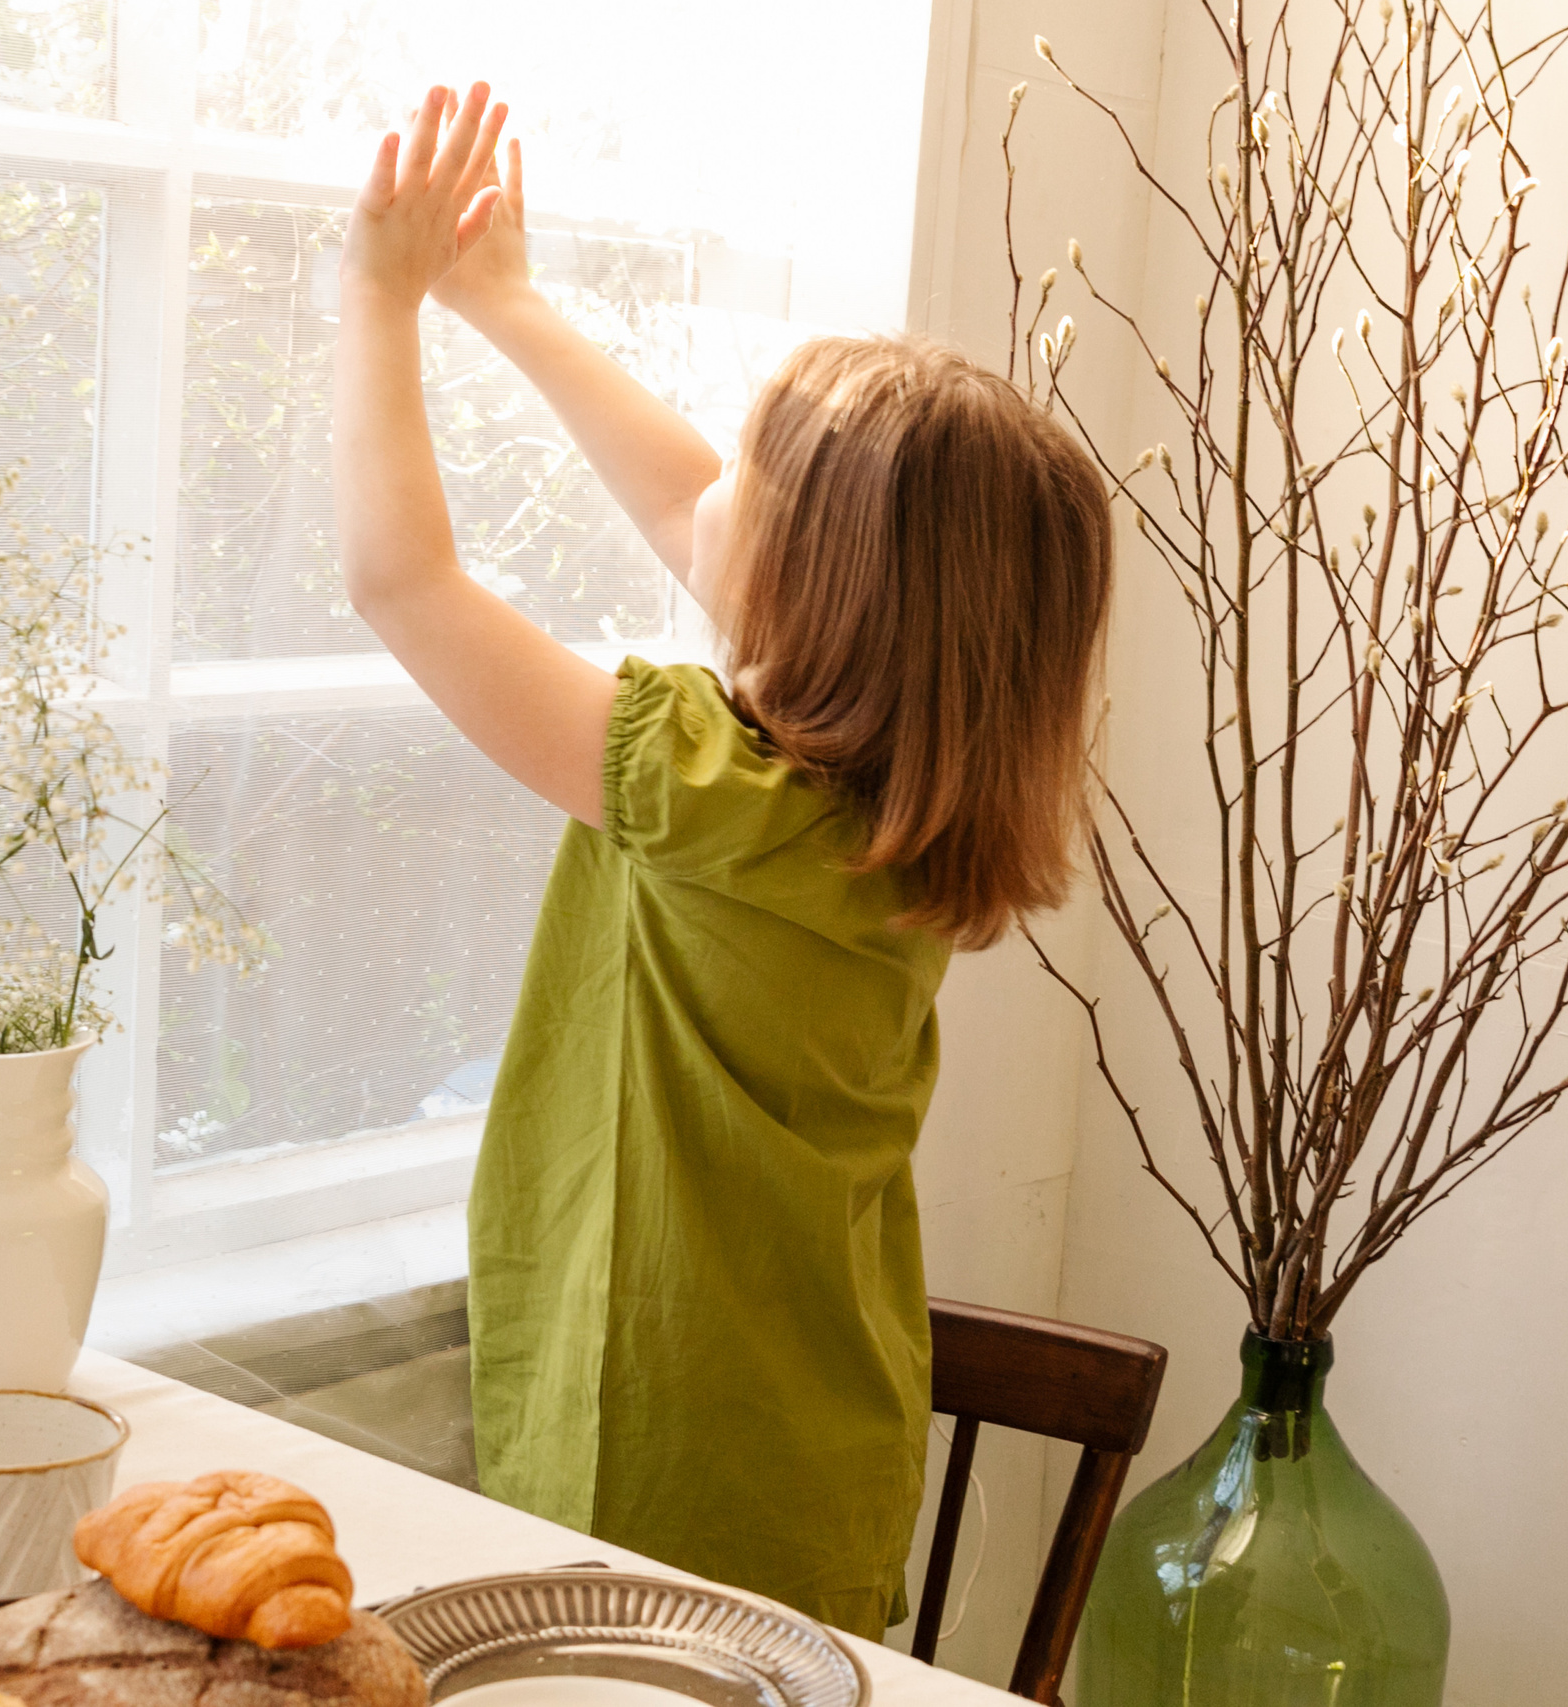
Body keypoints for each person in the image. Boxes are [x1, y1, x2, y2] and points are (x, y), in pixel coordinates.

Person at [332, 84, 1114, 1639]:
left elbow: (403, 581)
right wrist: (509, 306)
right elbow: (697, 507)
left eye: (753, 487)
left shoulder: (708, 792)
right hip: (820, 1452)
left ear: (821, 586)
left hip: (663, 1466)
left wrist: (376, 295)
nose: (710, 504)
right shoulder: (905, 821)